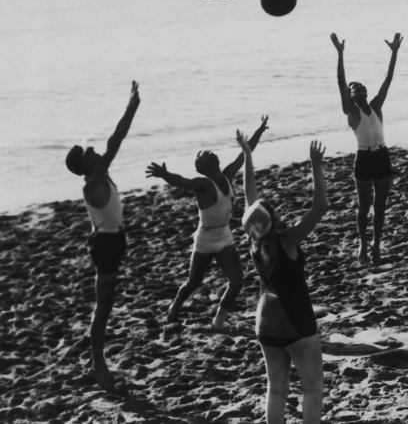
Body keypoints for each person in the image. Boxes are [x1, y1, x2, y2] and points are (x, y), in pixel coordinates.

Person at [238, 131, 328, 424]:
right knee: (313, 387)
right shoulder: (287, 240)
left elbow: (249, 197)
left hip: (265, 318)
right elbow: (319, 209)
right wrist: (316, 165)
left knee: (276, 389)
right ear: (274, 218)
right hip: (295, 317)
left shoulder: (255, 242)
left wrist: (248, 156)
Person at [145, 115, 269, 327]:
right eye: (205, 155)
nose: (211, 153)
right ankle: (174, 308)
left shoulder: (227, 174)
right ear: (202, 166)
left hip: (224, 235)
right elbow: (182, 182)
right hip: (205, 238)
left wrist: (259, 130)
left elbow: (245, 153)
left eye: (211, 153)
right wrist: (164, 174)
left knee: (237, 280)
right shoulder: (202, 183)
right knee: (193, 283)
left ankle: (219, 319)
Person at [65, 80, 140, 394]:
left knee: (105, 305)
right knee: (103, 307)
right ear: (85, 164)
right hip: (106, 245)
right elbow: (116, 140)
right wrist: (132, 105)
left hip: (112, 241)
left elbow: (111, 144)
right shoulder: (91, 181)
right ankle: (98, 363)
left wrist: (132, 106)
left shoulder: (99, 174)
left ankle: (95, 359)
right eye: (90, 152)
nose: (96, 151)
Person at [329, 32, 403, 265]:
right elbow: (341, 82)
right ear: (350, 97)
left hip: (382, 156)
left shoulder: (376, 106)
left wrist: (394, 53)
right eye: (355, 88)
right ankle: (362, 244)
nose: (359, 88)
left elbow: (388, 79)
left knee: (380, 206)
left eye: (361, 86)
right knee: (364, 208)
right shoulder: (351, 112)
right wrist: (340, 54)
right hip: (363, 158)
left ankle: (377, 245)